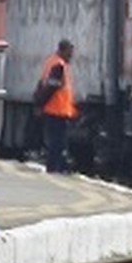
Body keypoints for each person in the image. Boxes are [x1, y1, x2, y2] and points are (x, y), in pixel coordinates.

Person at [36, 39, 78, 173]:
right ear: (62, 50)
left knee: (57, 142)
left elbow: (42, 85)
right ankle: (55, 169)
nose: (71, 56)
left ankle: (56, 167)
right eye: (69, 53)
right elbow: (50, 88)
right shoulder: (58, 66)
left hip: (57, 110)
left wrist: (38, 103)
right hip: (56, 111)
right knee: (57, 143)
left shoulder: (53, 63)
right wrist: (40, 105)